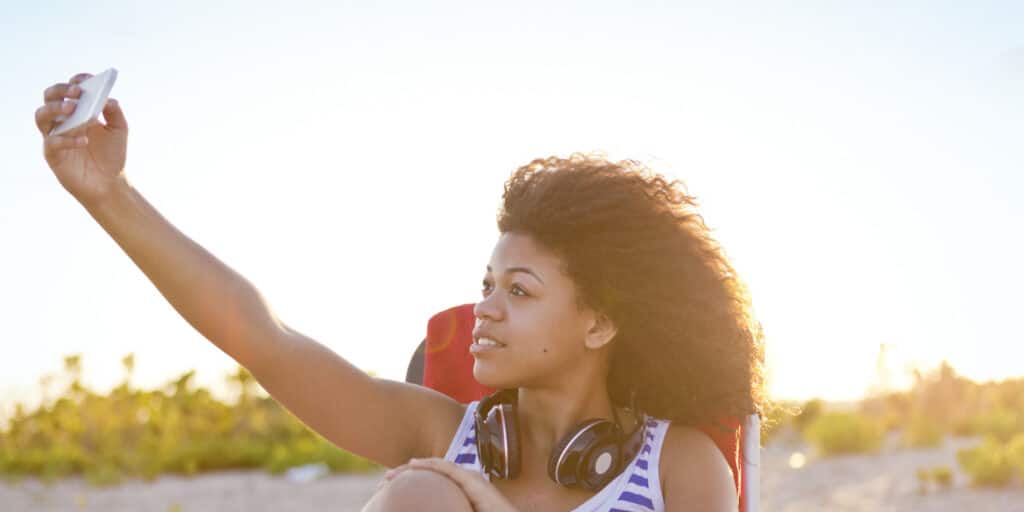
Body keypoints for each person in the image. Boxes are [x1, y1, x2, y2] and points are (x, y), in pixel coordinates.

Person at [35, 72, 765, 512]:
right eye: (486, 284)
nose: (484, 307)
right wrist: (109, 195)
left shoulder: (678, 461)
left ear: (601, 323)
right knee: (420, 494)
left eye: (520, 289)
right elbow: (259, 334)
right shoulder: (440, 439)